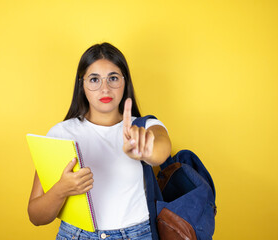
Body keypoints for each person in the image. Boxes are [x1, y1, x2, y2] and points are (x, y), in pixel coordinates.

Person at [28, 42, 171, 240]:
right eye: (94, 79)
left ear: (125, 81)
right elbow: (36, 216)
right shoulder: (61, 133)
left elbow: (161, 151)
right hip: (75, 235)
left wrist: (145, 150)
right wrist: (62, 190)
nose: (105, 89)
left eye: (113, 78)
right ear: (82, 85)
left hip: (136, 235)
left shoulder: (145, 126)